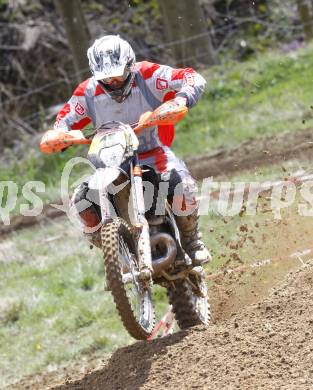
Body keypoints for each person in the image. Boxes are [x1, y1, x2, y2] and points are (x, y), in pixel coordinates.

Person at [48, 34, 211, 265]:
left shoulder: (147, 75)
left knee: (179, 184)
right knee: (82, 200)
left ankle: (192, 240)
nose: (113, 82)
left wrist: (181, 99)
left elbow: (192, 77)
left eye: (118, 75)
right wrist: (58, 134)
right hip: (110, 161)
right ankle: (115, 249)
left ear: (130, 65)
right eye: (107, 78)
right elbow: (65, 118)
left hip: (152, 153)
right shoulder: (88, 92)